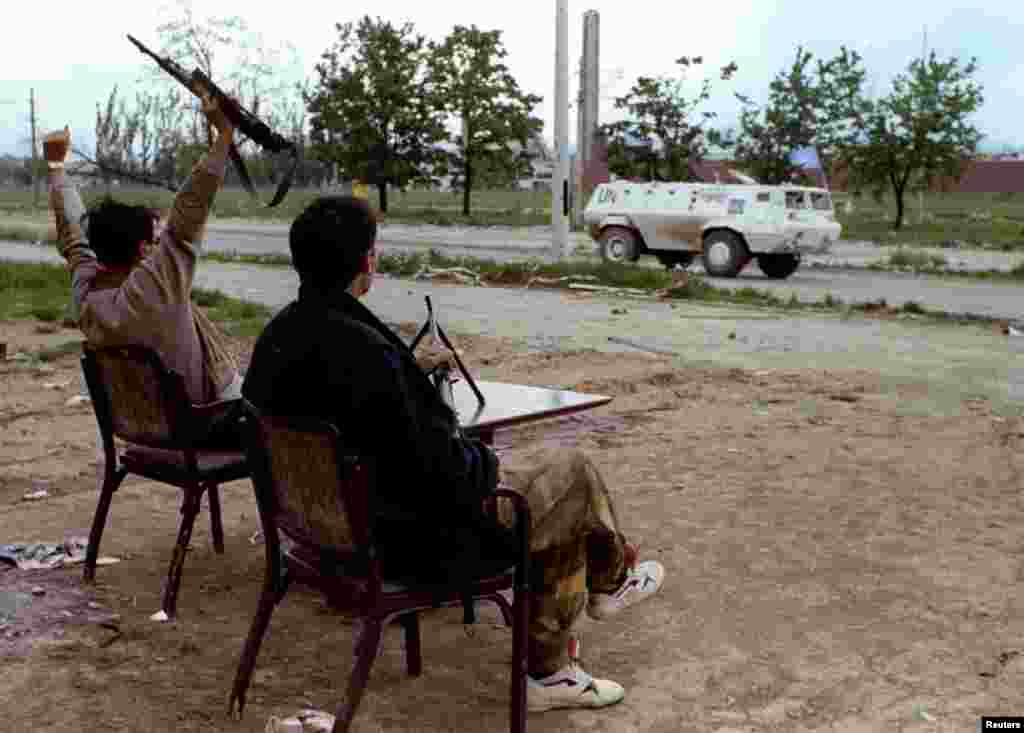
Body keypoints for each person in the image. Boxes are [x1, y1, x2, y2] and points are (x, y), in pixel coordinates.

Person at [241, 195, 666, 712]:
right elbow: (442, 475)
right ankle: (566, 646)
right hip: (410, 543)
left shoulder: (277, 338)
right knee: (568, 477)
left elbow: (355, 417)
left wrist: (408, 382)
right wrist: (479, 458)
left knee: (550, 480)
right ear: (366, 262)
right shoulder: (367, 353)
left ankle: (608, 584)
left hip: (323, 536)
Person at [43, 93, 244, 446]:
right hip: (201, 426)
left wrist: (56, 168)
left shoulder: (86, 295)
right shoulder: (157, 285)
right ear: (142, 248)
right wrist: (224, 136)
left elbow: (73, 237)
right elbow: (189, 210)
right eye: (154, 240)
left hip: (141, 430)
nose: (159, 246)